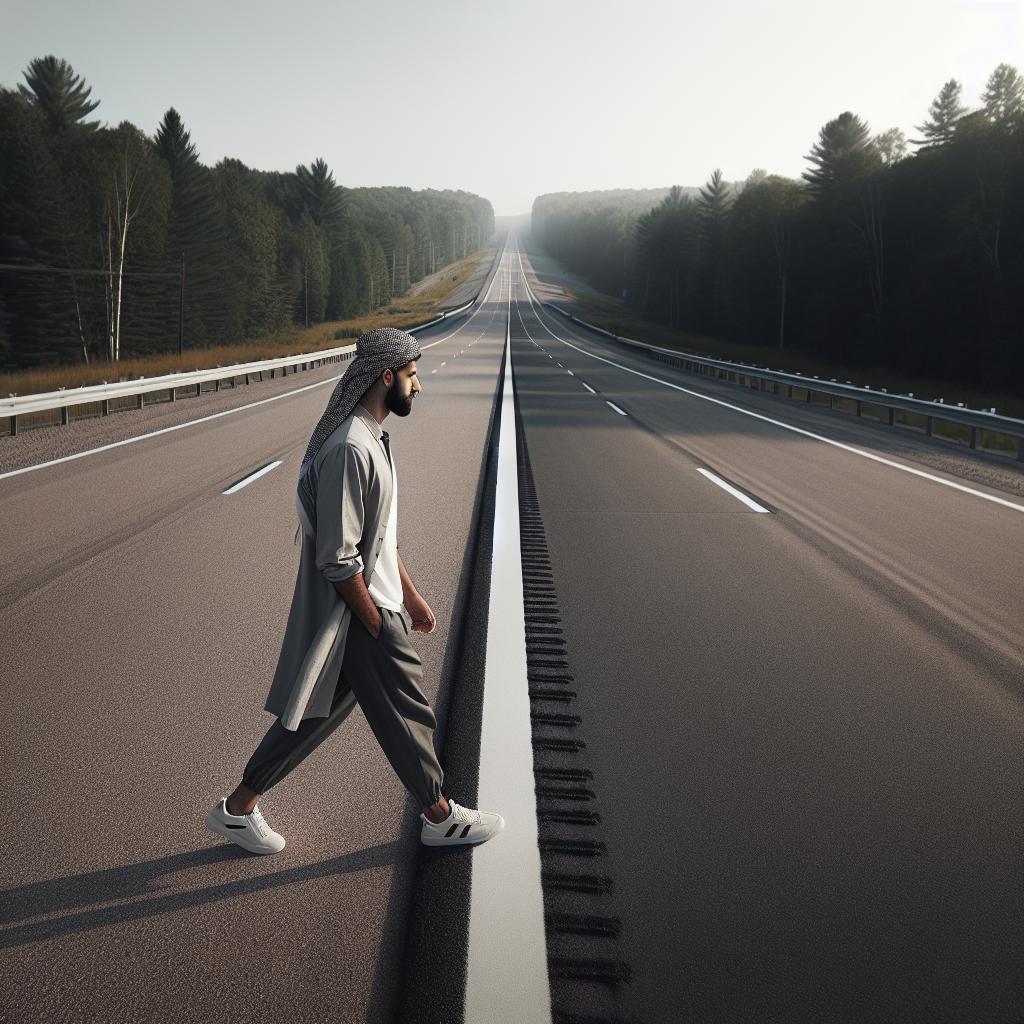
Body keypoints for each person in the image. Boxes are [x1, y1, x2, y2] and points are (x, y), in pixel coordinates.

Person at [205, 326, 505, 855]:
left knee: (308, 718)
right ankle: (439, 815)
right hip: (362, 613)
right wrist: (375, 621)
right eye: (412, 376)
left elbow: (377, 540)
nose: (418, 386)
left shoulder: (370, 439)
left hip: (375, 605)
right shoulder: (349, 448)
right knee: (410, 713)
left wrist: (410, 596)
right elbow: (338, 560)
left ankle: (237, 808)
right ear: (385, 377)